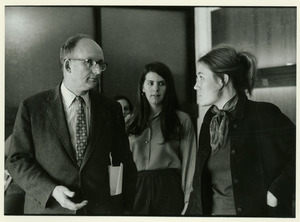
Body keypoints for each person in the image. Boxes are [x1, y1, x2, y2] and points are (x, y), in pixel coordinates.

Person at [6, 34, 137, 215]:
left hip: (100, 211)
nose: (98, 71)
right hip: (49, 210)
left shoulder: (110, 109)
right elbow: (17, 160)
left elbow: (125, 161)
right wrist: (51, 190)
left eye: (101, 64)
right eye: (89, 62)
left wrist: (126, 210)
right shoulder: (32, 107)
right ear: (68, 65)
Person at [186, 46, 295, 217]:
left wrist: (276, 191)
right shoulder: (211, 120)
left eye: (201, 77)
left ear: (222, 79)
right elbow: (200, 182)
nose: (195, 86)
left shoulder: (264, 115)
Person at [126, 62, 197, 215]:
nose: (156, 89)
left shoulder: (182, 120)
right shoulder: (129, 122)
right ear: (142, 88)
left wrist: (187, 200)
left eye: (161, 84)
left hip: (169, 188)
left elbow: (190, 164)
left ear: (168, 88)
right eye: (150, 83)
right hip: (135, 189)